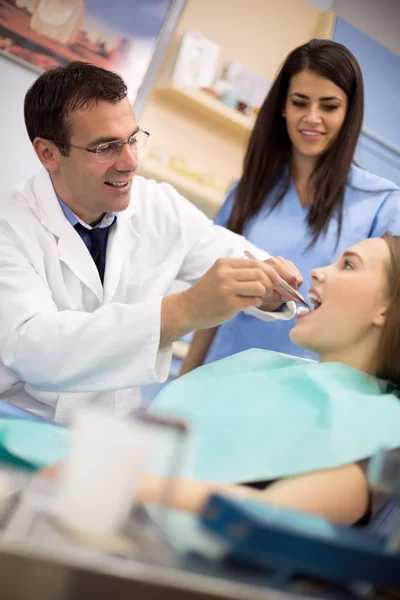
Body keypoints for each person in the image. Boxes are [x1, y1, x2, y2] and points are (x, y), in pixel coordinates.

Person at [0, 62, 302, 424]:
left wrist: (269, 284)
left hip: (107, 435)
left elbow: (228, 254)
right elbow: (37, 348)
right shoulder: (9, 227)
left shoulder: (160, 206)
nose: (130, 162)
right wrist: (182, 311)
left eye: (132, 139)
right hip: (19, 433)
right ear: (48, 153)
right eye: (106, 147)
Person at [141, 233, 400, 526]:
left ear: (387, 309)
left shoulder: (378, 438)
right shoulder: (271, 375)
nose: (317, 271)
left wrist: (127, 481)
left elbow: (265, 518)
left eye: (349, 265)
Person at [181, 39, 400, 375]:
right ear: (283, 105)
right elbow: (217, 295)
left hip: (309, 388)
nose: (312, 118)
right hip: (223, 373)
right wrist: (185, 380)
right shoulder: (249, 192)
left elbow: (383, 322)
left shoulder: (381, 203)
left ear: (349, 112)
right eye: (300, 102)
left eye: (329, 106)